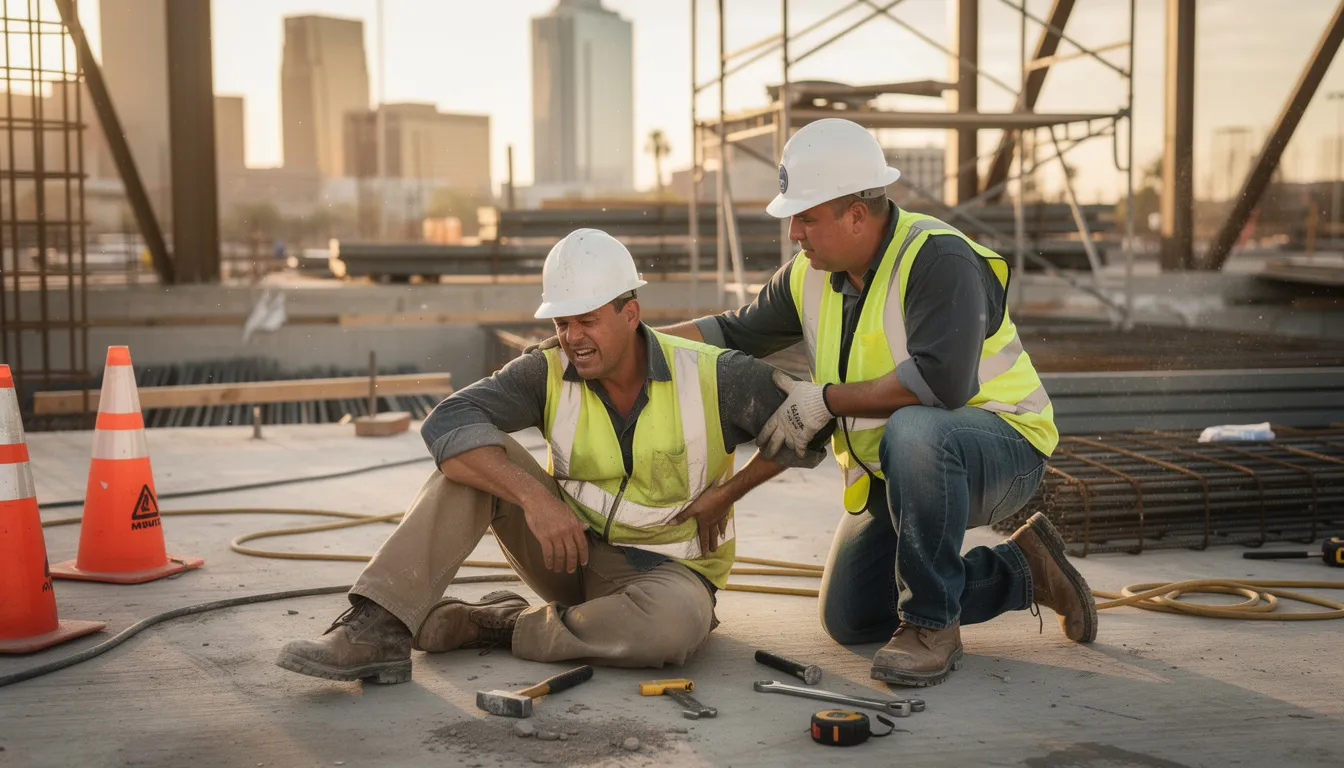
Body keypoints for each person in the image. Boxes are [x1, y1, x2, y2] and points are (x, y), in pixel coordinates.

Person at [276, 228, 823, 684]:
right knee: (471, 464)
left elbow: (808, 425)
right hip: (570, 553)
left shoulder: (711, 373)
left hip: (672, 574)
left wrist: (728, 493)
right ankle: (378, 628)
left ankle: (501, 626)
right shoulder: (548, 371)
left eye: (587, 321)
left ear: (631, 313)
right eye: (562, 324)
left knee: (668, 632)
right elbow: (447, 420)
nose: (573, 338)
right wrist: (536, 499)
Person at [660, 118, 1096, 688]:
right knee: (850, 617)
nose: (794, 232)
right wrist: (634, 343)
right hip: (896, 476)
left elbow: (942, 384)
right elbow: (729, 332)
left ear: (857, 214)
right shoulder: (811, 276)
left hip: (1000, 451)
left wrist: (826, 401)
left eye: (807, 217)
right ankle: (1025, 569)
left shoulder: (938, 259)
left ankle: (932, 625)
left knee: (916, 428)